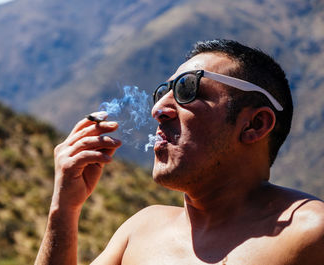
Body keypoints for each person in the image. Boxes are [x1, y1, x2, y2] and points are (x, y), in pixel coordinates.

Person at [35, 39, 324, 265]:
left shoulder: (310, 235)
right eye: (162, 92)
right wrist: (64, 209)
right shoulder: (141, 231)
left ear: (255, 124)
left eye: (188, 89)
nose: (157, 110)